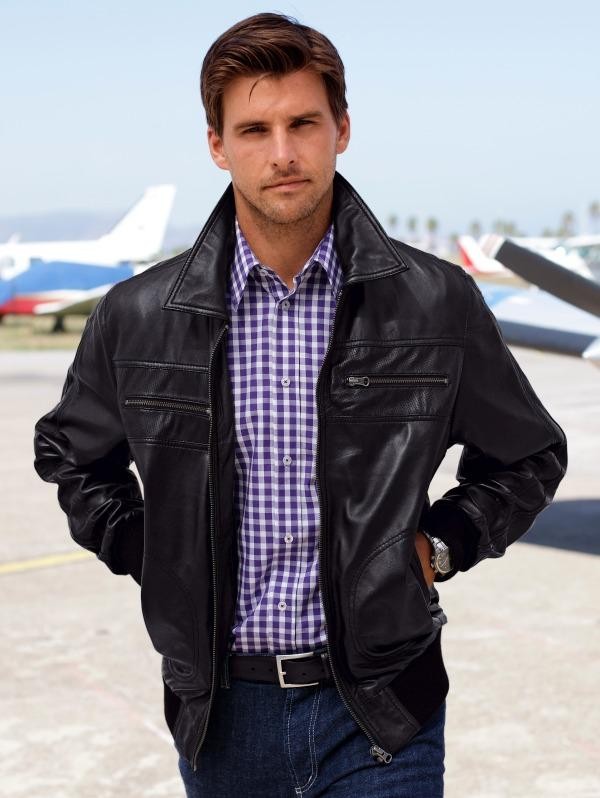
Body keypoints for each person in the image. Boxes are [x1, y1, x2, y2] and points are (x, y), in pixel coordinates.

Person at [33, 12, 568, 798]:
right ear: (217, 146)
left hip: (384, 713)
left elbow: (528, 455)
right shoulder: (139, 315)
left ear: (341, 130)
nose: (282, 153)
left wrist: (443, 544)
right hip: (221, 716)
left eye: (303, 124)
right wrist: (155, 552)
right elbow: (72, 455)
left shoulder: (434, 302)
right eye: (254, 130)